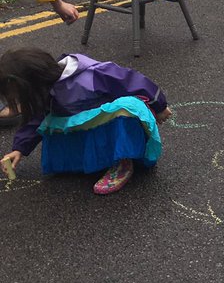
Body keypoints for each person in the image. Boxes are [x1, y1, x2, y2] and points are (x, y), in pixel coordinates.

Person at [0, 49, 171, 195]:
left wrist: (159, 105)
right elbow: (36, 119)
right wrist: (19, 148)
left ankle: (123, 162)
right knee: (50, 121)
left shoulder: (91, 75)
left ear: (32, 84)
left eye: (18, 98)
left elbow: (131, 81)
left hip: (111, 128)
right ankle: (91, 159)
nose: (18, 103)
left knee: (126, 108)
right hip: (88, 128)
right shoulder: (46, 90)